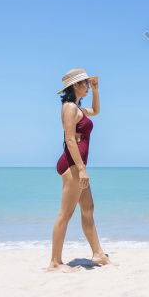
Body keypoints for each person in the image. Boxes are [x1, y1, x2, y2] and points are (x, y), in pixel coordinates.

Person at [47, 69, 115, 271]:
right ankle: (55, 262)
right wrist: (82, 169)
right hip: (73, 166)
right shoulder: (69, 107)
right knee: (66, 213)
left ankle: (98, 254)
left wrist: (95, 91)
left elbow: (96, 111)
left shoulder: (78, 108)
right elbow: (69, 138)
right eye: (85, 83)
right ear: (75, 85)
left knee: (88, 208)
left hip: (78, 166)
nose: (87, 86)